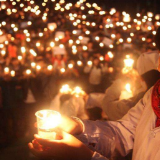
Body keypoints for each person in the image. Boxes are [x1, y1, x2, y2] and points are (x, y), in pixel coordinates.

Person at [28, 22, 160, 160]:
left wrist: (84, 155)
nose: (158, 67)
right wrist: (78, 127)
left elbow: (109, 105)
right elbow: (123, 133)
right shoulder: (154, 95)